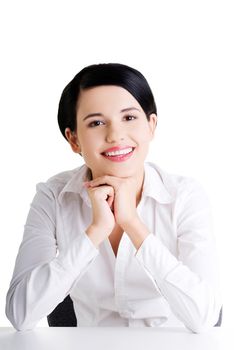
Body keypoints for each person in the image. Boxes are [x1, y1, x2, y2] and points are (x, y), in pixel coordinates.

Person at [5, 63, 222, 333]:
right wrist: (94, 232)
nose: (115, 135)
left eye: (129, 118)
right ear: (74, 140)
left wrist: (133, 224)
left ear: (151, 126)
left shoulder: (185, 196)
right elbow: (20, 314)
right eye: (96, 123)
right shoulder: (54, 196)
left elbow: (204, 317)